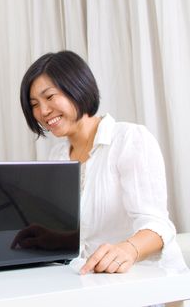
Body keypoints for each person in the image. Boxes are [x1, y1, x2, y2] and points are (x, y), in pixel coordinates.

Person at [19, 50, 187, 275]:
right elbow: (91, 233)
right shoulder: (57, 157)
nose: (43, 111)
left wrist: (128, 250)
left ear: (76, 86)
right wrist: (56, 238)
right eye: (34, 104)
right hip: (95, 282)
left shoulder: (129, 139)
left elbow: (158, 226)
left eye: (49, 97)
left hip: (149, 281)